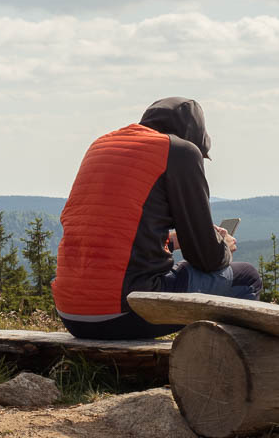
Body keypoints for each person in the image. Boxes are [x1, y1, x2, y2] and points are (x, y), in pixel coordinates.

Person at [52, 97, 262, 339]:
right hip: (126, 312)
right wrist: (222, 246)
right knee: (246, 277)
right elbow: (207, 259)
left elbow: (117, 236)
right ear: (192, 137)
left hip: (71, 314)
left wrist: (175, 240)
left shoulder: (101, 145)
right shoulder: (180, 151)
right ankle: (221, 366)